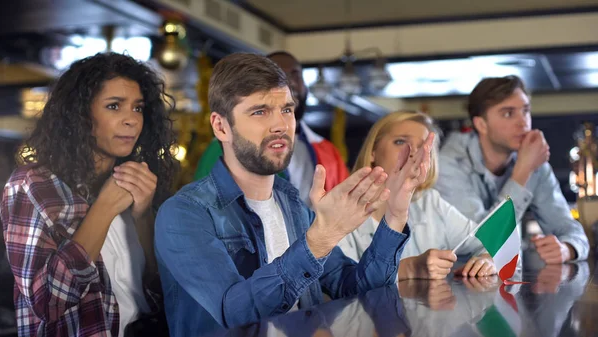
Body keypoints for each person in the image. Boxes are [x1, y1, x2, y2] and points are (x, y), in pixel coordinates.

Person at [154, 53, 433, 336]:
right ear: (221, 126)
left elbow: (359, 289)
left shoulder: (292, 205)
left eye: (286, 110)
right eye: (260, 111)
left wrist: (395, 214)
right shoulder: (184, 213)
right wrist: (319, 240)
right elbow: (234, 312)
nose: (280, 125)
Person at [0, 53, 177, 337]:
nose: (131, 120)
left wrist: (143, 217)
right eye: (114, 106)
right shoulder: (32, 184)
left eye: (138, 108)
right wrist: (104, 208)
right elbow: (48, 304)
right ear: (81, 114)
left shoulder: (134, 181)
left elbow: (163, 291)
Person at [436, 75, 589, 264]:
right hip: (452, 281)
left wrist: (567, 249)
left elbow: (570, 230)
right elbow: (479, 241)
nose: (523, 122)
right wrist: (522, 172)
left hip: (500, 279)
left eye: (525, 111)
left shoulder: (534, 163)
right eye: (508, 113)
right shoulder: (449, 164)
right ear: (481, 124)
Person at [338, 111, 496, 279]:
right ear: (373, 152)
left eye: (423, 147)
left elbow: (494, 243)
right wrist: (409, 269)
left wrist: (489, 260)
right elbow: (338, 285)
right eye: (400, 142)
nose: (413, 152)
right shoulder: (340, 211)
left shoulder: (430, 202)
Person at [193, 51, 349, 206]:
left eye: (286, 110)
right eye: (260, 112)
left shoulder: (327, 151)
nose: (290, 82)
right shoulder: (224, 147)